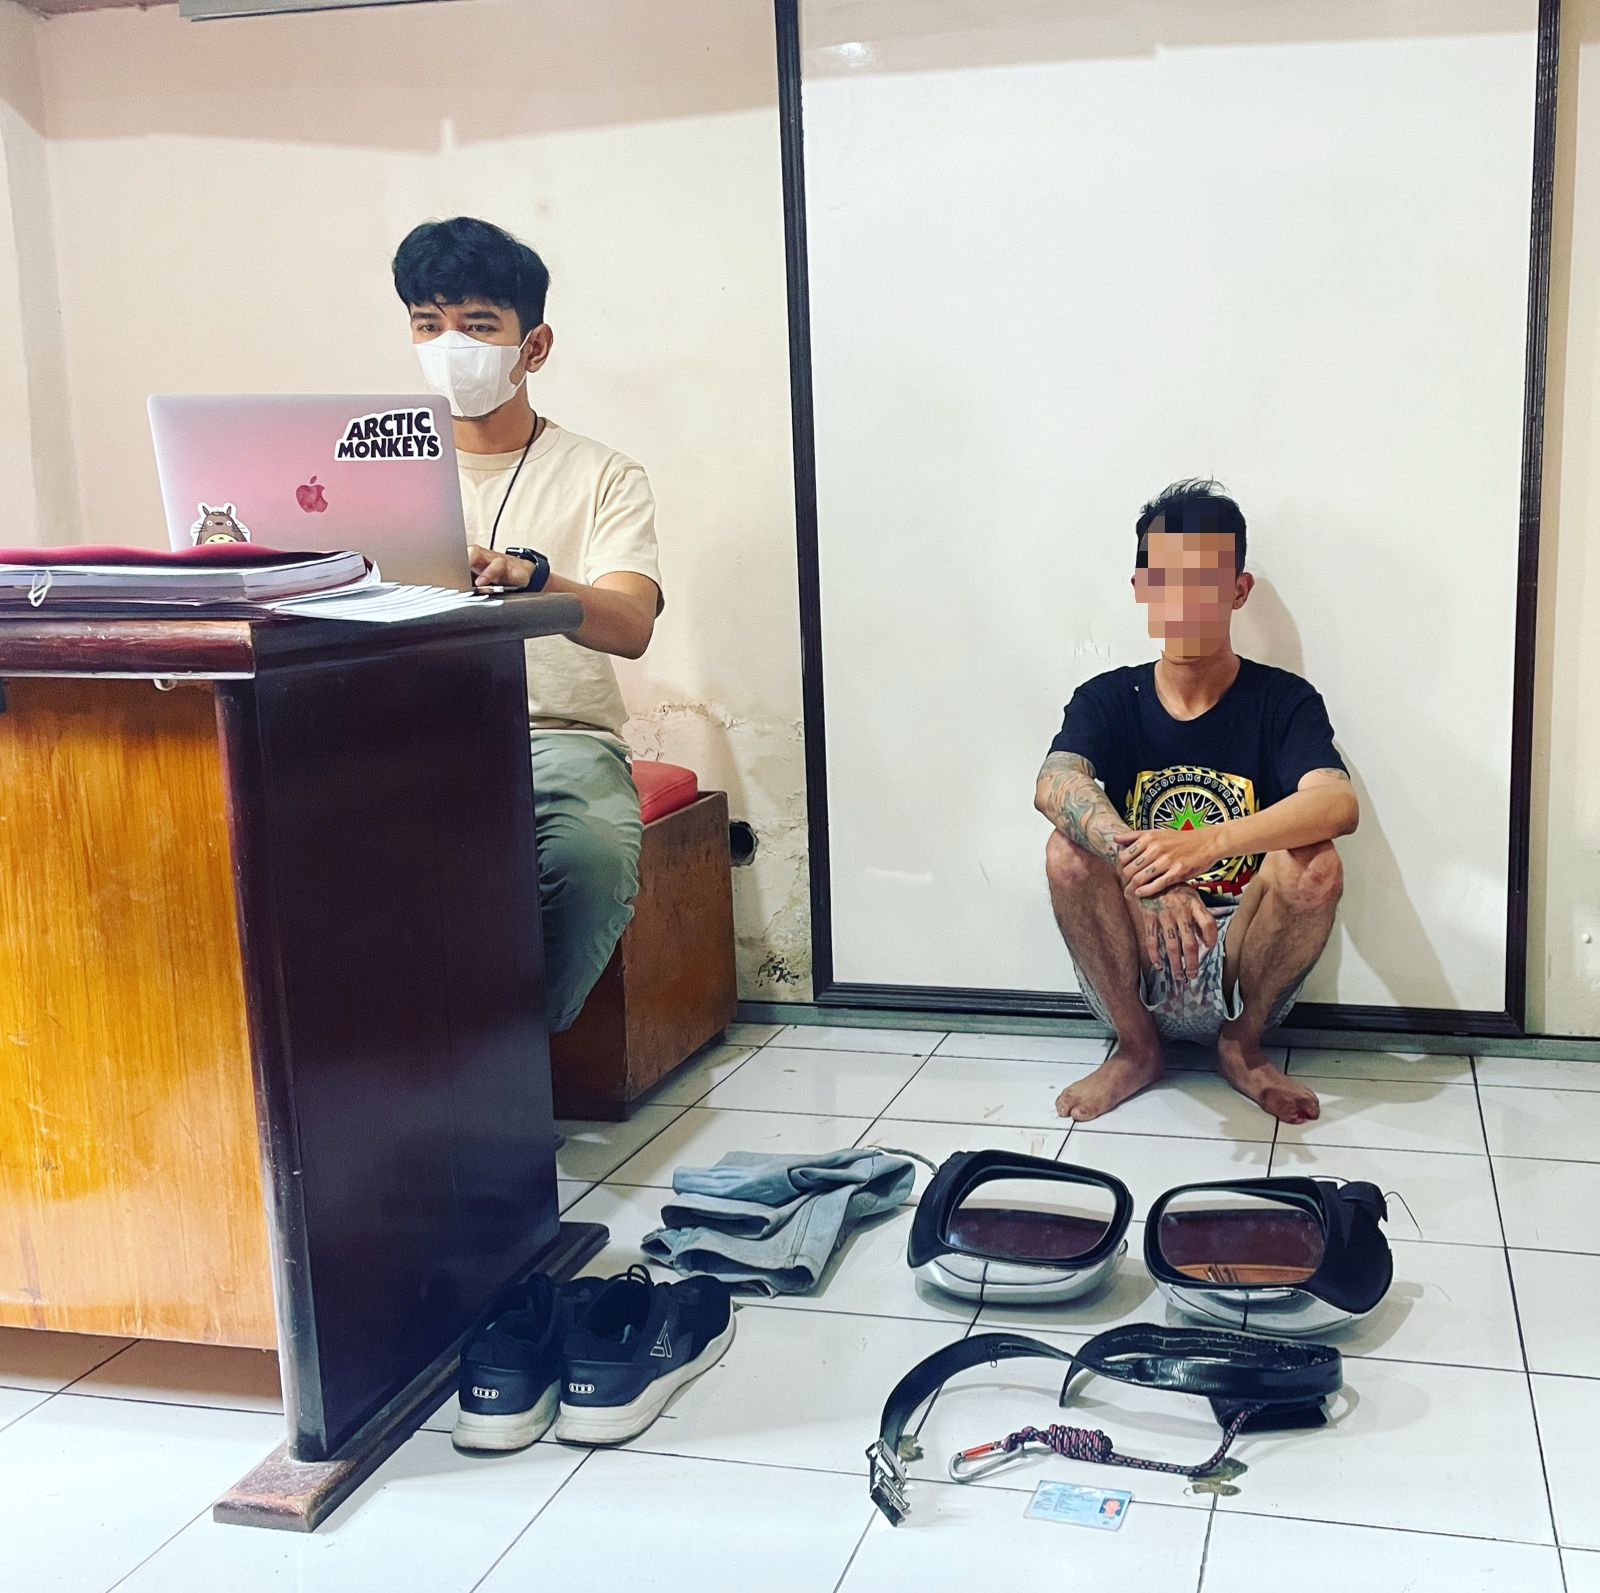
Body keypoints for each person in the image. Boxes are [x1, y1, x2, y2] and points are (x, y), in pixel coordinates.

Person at [393, 216, 664, 1034]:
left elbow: (631, 623)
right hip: (398, 734)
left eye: (478, 326)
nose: (450, 345)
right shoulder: (372, 467)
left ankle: (504, 1058)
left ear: (533, 346)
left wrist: (533, 575)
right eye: (427, 325)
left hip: (556, 737)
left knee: (590, 860)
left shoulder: (603, 473)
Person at [1035, 480, 1357, 1125]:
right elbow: (1055, 782)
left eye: (1204, 580)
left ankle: (1242, 1049)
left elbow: (1336, 804)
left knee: (1315, 864)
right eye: (1165, 579)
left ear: (1237, 590)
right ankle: (1137, 1050)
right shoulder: (1108, 698)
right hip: (1133, 952)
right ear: (1141, 587)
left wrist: (1204, 844)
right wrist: (1152, 875)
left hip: (1243, 956)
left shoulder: (1283, 701)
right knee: (1066, 852)